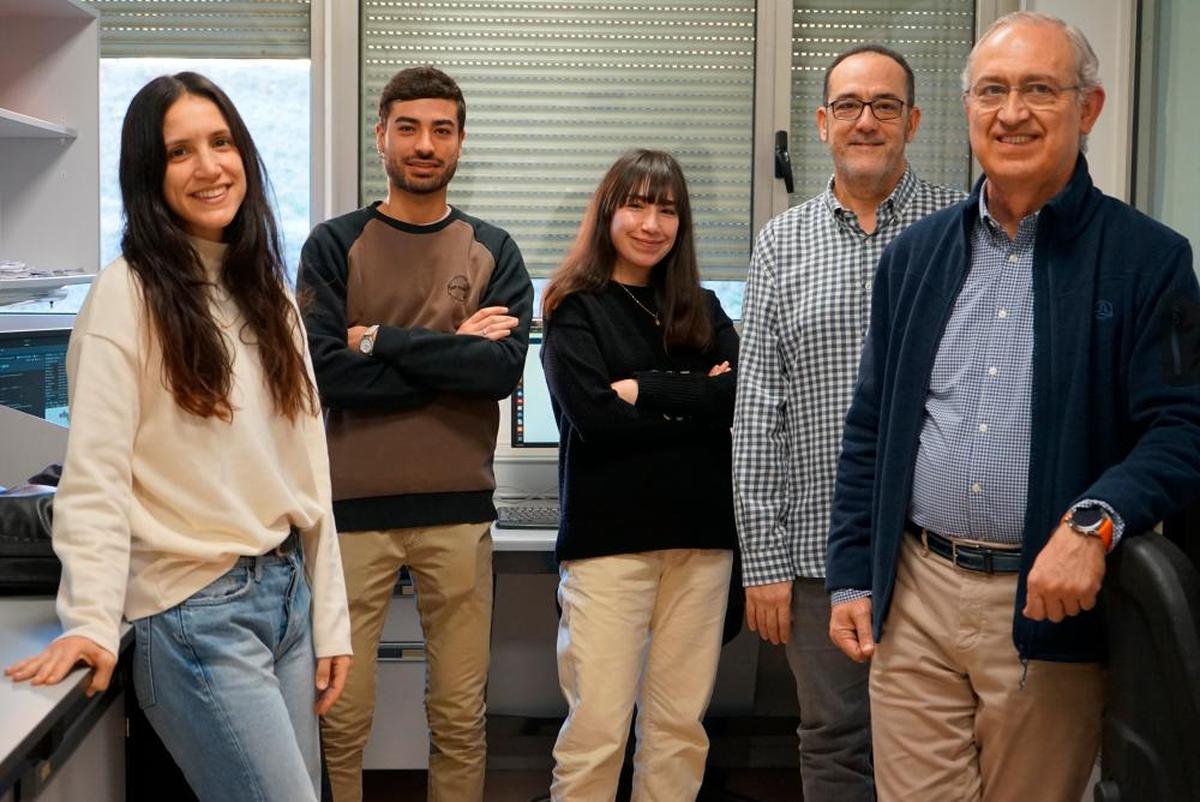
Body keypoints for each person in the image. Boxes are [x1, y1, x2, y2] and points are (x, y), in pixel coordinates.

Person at [826, 12, 1200, 802]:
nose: (1012, 112)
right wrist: (854, 579)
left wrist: (1096, 520)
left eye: (1039, 89)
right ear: (967, 112)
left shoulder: (1148, 260)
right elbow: (872, 430)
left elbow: (1181, 428)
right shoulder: (916, 255)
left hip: (1047, 613)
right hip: (915, 594)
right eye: (992, 91)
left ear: (1088, 108)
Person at [4, 72, 352, 802]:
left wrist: (331, 620)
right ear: (148, 174)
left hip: (285, 596)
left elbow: (308, 472)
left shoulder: (267, 293)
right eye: (179, 152)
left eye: (221, 142)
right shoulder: (125, 297)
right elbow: (95, 478)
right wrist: (92, 620)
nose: (209, 166)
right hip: (197, 614)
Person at [731, 44, 962, 800]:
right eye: (850, 107)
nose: (867, 121)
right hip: (812, 556)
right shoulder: (781, 242)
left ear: (914, 122)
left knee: (937, 738)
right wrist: (763, 561)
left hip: (935, 549)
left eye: (885, 106)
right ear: (823, 123)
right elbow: (759, 409)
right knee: (832, 742)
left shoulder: (963, 229)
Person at [298, 66, 532, 802]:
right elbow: (328, 376)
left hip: (458, 514)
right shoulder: (334, 245)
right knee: (341, 711)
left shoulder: (494, 249)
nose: (424, 144)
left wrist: (382, 341)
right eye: (409, 128)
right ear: (382, 137)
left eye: (441, 129)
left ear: (461, 141)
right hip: (351, 518)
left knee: (460, 714)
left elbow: (496, 372)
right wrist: (449, 349)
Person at [540, 149, 739, 802]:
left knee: (679, 728)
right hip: (609, 546)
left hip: (701, 544)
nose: (651, 223)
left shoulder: (703, 307)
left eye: (667, 209)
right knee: (597, 732)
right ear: (608, 213)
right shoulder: (574, 307)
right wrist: (691, 395)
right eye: (637, 205)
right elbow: (595, 419)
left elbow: (736, 399)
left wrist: (643, 387)